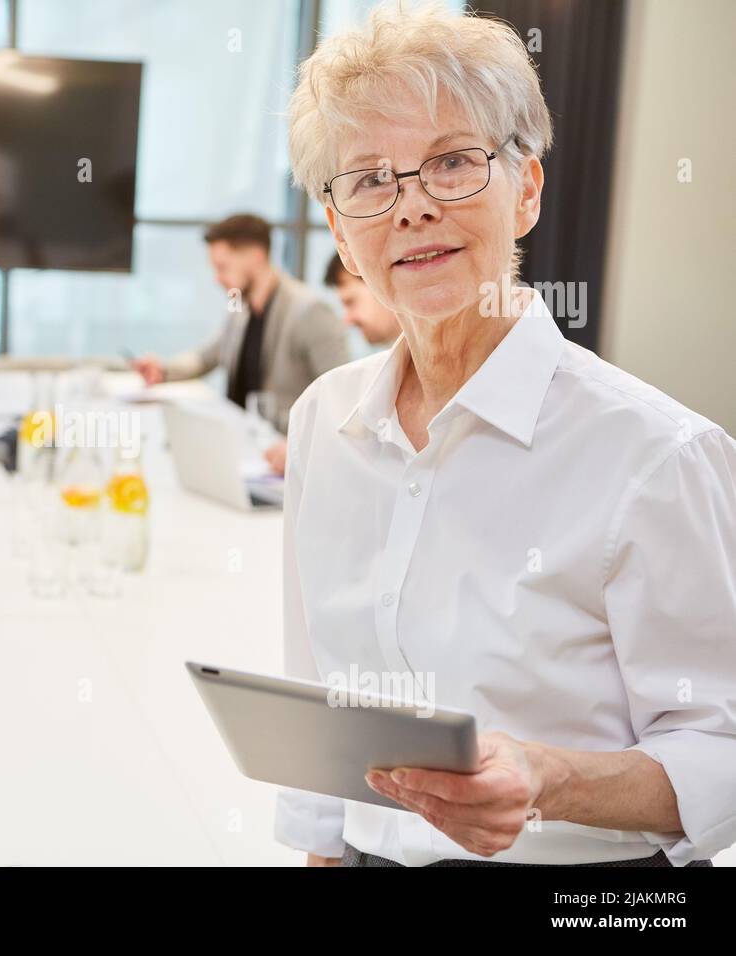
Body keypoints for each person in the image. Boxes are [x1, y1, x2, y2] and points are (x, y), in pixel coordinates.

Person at [278, 1, 735, 867]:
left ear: (525, 190)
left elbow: (723, 751)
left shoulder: (656, 454)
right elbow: (318, 698)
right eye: (370, 180)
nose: (410, 208)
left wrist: (548, 777)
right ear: (339, 232)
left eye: (451, 163)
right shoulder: (322, 423)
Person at [130, 214, 348, 432]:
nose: (217, 278)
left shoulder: (310, 311)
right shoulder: (240, 308)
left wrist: (296, 443)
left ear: (256, 256)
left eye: (222, 267)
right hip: (241, 439)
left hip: (284, 447)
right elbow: (206, 357)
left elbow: (340, 398)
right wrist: (162, 370)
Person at [265, 254, 400, 474]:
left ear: (383, 285)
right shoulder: (391, 365)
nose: (347, 319)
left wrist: (306, 450)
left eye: (351, 302)